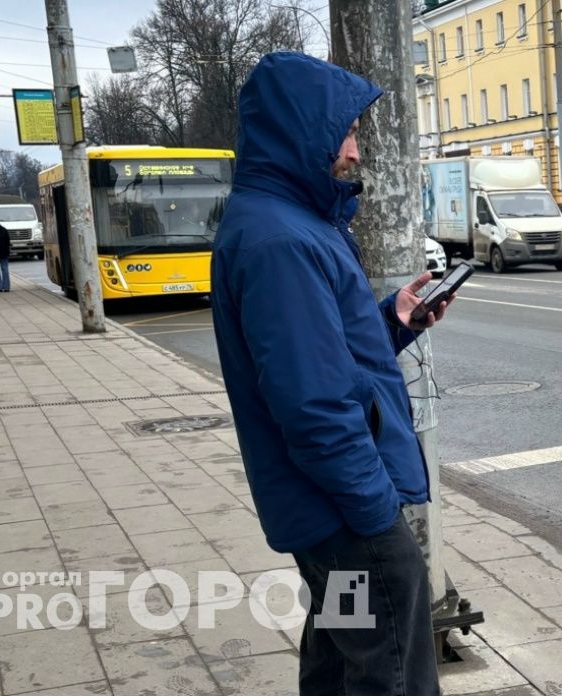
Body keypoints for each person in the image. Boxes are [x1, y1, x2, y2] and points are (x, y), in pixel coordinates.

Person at [210, 53, 447, 696]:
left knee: (341, 648)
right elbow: (312, 404)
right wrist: (375, 513)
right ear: (302, 132)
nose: (356, 149)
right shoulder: (280, 239)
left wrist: (395, 321)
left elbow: (324, 356)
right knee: (391, 666)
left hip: (324, 511)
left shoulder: (289, 223)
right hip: (343, 512)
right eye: (345, 132)